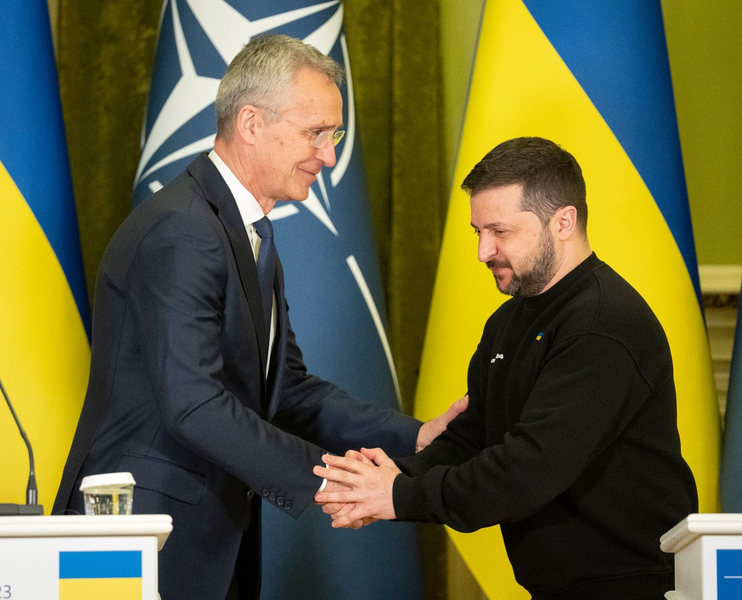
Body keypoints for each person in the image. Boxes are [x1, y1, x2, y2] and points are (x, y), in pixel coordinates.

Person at [53, 34, 464, 600]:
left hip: (205, 537)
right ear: (250, 123)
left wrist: (414, 437)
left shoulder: (246, 232)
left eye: (334, 134)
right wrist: (336, 480)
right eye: (315, 133)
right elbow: (193, 404)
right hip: (142, 536)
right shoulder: (186, 231)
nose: (329, 155)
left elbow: (286, 392)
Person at [315, 137, 699, 600]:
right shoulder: (509, 320)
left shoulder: (603, 323)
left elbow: (527, 468)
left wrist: (397, 495)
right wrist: (389, 475)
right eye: (477, 231)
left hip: (632, 586)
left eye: (500, 232)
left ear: (563, 221)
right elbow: (474, 436)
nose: (482, 251)